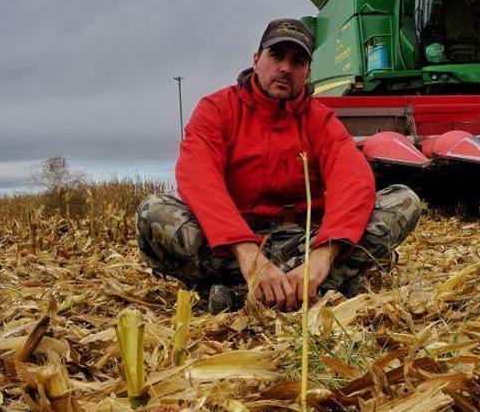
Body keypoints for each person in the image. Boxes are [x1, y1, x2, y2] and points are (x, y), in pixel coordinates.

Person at [135, 19, 421, 313]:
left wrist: (323, 254)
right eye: (276, 56)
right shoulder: (217, 109)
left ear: (308, 72)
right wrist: (248, 254)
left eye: (297, 61)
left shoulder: (320, 120)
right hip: (235, 243)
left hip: (306, 240)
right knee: (153, 212)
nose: (285, 68)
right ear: (257, 60)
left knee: (404, 200)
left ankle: (242, 293)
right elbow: (198, 176)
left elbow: (353, 179)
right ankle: (325, 286)